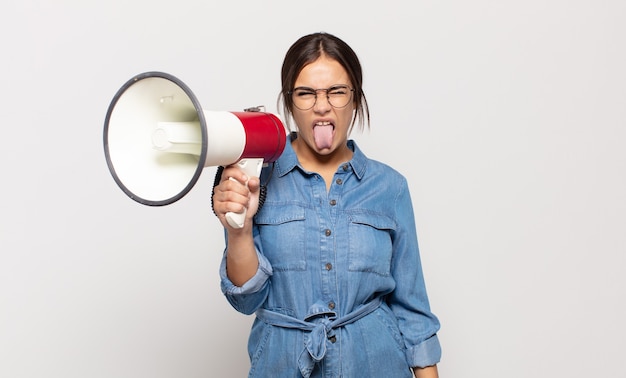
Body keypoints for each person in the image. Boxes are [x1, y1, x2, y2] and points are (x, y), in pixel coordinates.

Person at [212, 32, 441, 378]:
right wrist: (239, 231)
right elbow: (246, 301)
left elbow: (413, 312)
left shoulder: (390, 188)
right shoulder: (257, 179)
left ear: (355, 99)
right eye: (306, 93)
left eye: (337, 91)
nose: (322, 105)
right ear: (289, 103)